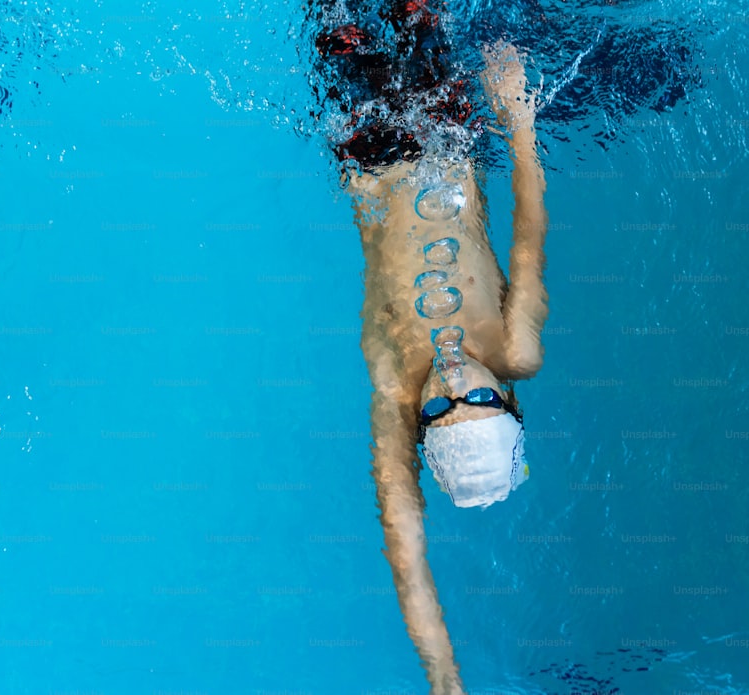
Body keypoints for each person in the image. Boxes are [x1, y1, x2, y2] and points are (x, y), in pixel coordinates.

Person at [316, 3, 548, 692]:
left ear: (420, 427)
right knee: (423, 16)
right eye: (477, 396)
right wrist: (518, 119)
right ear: (507, 397)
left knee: (339, 22)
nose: (453, 380)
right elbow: (529, 230)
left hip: (367, 154)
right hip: (448, 139)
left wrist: (444, 678)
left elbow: (406, 551)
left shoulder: (393, 398)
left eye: (440, 406)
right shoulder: (515, 348)